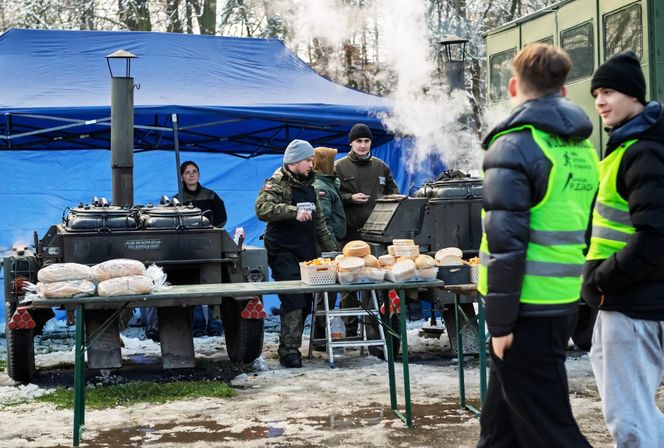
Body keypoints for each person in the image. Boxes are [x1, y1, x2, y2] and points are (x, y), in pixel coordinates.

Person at [476, 43, 598, 447]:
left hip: (525, 309)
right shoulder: (582, 150)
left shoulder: (514, 146)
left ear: (513, 87)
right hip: (561, 299)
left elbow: (506, 245)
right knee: (499, 428)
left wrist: (501, 323)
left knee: (551, 430)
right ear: (563, 91)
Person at [582, 51, 664, 447]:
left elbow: (654, 235)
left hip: (631, 303)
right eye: (596, 92)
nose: (599, 101)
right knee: (639, 413)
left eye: (609, 91)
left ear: (635, 96)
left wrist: (602, 279)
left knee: (630, 419)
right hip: (624, 301)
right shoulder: (628, 146)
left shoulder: (641, 150)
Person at [255, 139, 337, 368]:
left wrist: (332, 251)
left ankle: (294, 345)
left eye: (312, 160)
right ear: (294, 161)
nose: (312, 164)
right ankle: (288, 351)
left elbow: (319, 221)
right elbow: (262, 209)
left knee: (306, 301)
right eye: (308, 160)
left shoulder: (311, 183)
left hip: (307, 251)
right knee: (293, 298)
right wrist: (293, 211)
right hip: (282, 250)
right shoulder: (277, 183)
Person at [335, 123, 399, 336]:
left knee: (376, 281)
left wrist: (390, 201)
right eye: (358, 141)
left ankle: (376, 331)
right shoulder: (339, 167)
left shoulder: (381, 166)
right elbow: (331, 198)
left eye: (366, 141)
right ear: (351, 143)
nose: (363, 145)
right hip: (349, 236)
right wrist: (349, 198)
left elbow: (394, 193)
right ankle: (351, 328)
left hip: (377, 236)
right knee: (350, 283)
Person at [175, 160, 227, 337]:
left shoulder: (211, 196)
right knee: (192, 285)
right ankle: (197, 324)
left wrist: (211, 232)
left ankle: (215, 325)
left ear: (199, 174)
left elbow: (221, 218)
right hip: (188, 251)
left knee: (213, 285)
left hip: (210, 247)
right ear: (182, 176)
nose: (191, 175)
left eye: (194, 171)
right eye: (187, 172)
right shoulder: (177, 200)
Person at [311, 147, 347, 347]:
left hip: (334, 241)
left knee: (329, 291)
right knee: (326, 292)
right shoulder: (320, 187)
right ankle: (319, 335)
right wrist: (332, 248)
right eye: (332, 160)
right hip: (328, 245)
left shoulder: (329, 182)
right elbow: (323, 220)